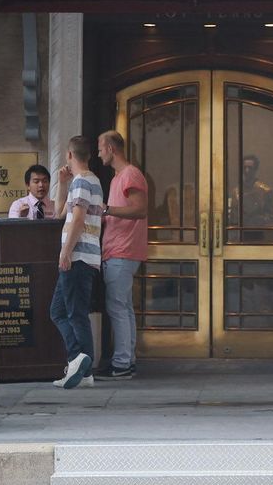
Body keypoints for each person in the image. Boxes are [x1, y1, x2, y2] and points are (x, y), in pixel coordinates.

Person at [49, 135, 103, 389]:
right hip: (83, 256)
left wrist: (66, 252)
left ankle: (79, 361)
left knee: (74, 313)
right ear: (88, 155)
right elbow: (60, 213)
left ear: (69, 155)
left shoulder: (82, 181)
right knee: (60, 311)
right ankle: (82, 367)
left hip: (78, 256)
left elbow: (78, 220)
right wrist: (62, 184)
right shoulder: (88, 181)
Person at [96, 130, 148, 380]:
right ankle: (127, 360)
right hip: (117, 250)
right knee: (123, 308)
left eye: (100, 149)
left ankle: (122, 363)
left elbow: (140, 210)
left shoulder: (130, 174)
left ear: (110, 148)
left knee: (117, 307)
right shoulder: (118, 177)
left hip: (123, 250)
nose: (99, 154)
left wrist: (106, 209)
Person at [228, 154, 273, 227]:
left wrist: (256, 220)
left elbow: (271, 217)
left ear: (255, 169)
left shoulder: (265, 191)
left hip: (259, 231)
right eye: (244, 167)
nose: (247, 170)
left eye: (250, 168)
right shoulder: (236, 191)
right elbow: (233, 218)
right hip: (240, 231)